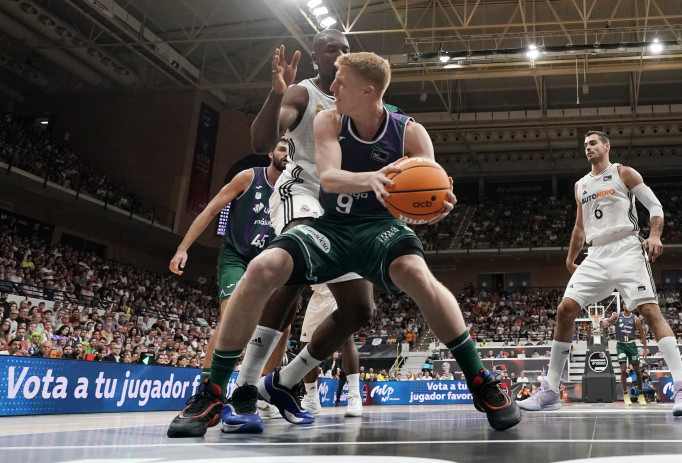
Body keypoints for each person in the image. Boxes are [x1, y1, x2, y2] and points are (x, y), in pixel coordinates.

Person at [176, 51, 521, 438]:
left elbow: (432, 187)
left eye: (341, 82)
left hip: (379, 228)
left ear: (367, 89)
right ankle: (215, 391)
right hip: (332, 226)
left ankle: (480, 381)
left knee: (416, 275)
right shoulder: (329, 120)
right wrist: (374, 179)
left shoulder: (411, 132)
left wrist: (438, 205)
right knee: (263, 268)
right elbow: (329, 177)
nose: (333, 87)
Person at [214, 29, 362, 427]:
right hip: (302, 190)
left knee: (359, 309)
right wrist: (276, 92)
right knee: (296, 267)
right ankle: (244, 387)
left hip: (340, 204)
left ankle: (283, 382)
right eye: (333, 49)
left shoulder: (359, 101)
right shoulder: (302, 92)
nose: (342, 54)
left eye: (347, 50)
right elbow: (263, 138)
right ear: (316, 56)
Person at [518, 130, 682, 416]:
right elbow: (580, 227)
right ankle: (550, 390)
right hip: (597, 253)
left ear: (606, 146)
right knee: (566, 308)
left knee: (651, 312)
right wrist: (570, 257)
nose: (588, 147)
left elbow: (654, 206)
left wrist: (655, 235)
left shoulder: (624, 173)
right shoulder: (581, 185)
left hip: (627, 248)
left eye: (593, 143)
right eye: (585, 144)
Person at [166, 139, 288, 437]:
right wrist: (183, 248)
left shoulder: (297, 188)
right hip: (237, 256)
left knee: (282, 323)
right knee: (231, 313)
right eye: (283, 148)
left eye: (292, 149)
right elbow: (209, 211)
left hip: (271, 260)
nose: (288, 154)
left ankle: (264, 390)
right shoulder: (248, 177)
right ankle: (209, 389)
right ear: (271, 153)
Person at [603, 303, 648, 405]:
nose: (626, 305)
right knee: (623, 369)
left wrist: (645, 349)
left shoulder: (636, 319)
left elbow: (642, 334)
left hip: (631, 345)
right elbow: (607, 321)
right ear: (623, 306)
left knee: (637, 370)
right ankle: (625, 394)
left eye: (629, 304)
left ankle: (641, 395)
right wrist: (604, 323)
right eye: (625, 304)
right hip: (621, 345)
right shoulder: (617, 315)